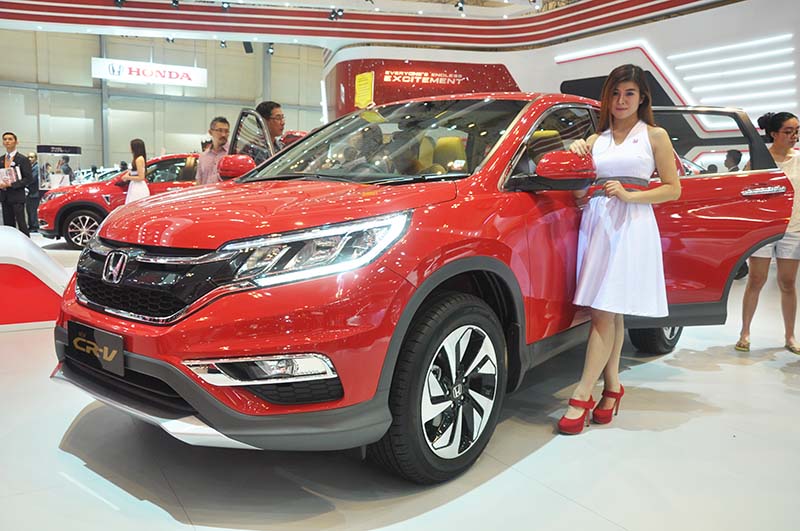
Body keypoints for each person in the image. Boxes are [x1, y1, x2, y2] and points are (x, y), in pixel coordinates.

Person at [560, 64, 681, 435]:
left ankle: (582, 393)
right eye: (614, 93)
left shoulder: (654, 135)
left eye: (629, 93)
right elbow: (579, 194)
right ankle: (612, 388)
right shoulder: (595, 139)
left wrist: (631, 195)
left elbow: (673, 188)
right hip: (597, 224)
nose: (621, 100)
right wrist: (575, 156)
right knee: (609, 309)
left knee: (603, 311)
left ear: (642, 97)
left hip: (630, 224)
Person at [736, 111, 800, 354]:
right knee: (756, 279)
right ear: (773, 133)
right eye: (788, 131)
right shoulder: (759, 159)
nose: (794, 136)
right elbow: (744, 190)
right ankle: (744, 332)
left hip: (793, 228)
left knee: (788, 282)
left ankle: (790, 336)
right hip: (764, 229)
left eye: (797, 131)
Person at [0, 132, 34, 236]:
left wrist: (12, 184)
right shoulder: (1, 159)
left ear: (16, 142)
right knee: (8, 225)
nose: (7, 141)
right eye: (5, 139)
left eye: (10, 139)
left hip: (17, 197)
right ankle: (10, 244)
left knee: (21, 224)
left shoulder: (23, 159)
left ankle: (26, 243)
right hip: (4, 197)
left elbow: (28, 178)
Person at [196, 116, 229, 185]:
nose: (223, 134)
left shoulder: (233, 154)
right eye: (220, 130)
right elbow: (199, 182)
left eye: (226, 131)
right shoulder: (203, 156)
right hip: (207, 191)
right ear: (210, 132)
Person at [122, 138, 150, 204]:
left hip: (138, 188)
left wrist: (127, 177)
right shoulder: (138, 159)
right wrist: (129, 174)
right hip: (136, 186)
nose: (129, 148)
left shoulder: (139, 159)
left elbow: (141, 177)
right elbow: (136, 173)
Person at [25, 152, 40, 231]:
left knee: (33, 210)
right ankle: (31, 225)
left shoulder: (36, 167)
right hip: (30, 193)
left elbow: (32, 179)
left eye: (32, 157)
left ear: (36, 158)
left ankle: (34, 226)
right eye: (28, 157)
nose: (30, 159)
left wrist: (22, 183)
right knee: (29, 210)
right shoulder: (29, 167)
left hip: (35, 193)